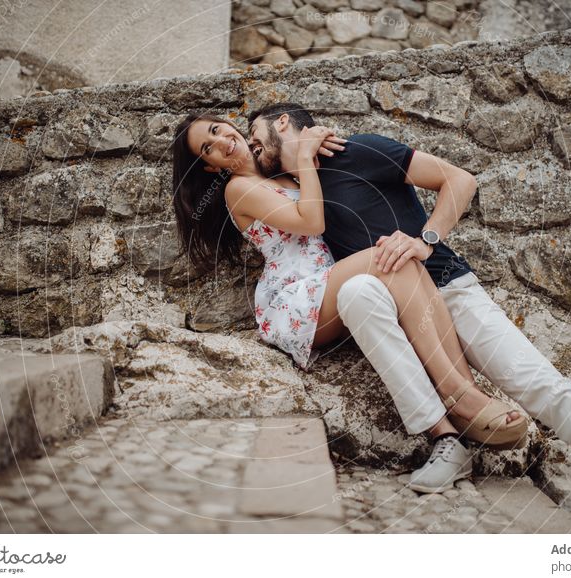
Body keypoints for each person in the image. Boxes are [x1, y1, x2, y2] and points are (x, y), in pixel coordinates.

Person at [245, 102, 571, 534]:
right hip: (393, 309)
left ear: (283, 121)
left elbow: (460, 180)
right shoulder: (299, 190)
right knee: (359, 291)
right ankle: (449, 438)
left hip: (449, 290)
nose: (251, 147)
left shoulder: (359, 149)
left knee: (548, 390)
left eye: (254, 135)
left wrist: (425, 239)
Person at [171, 112, 529, 489]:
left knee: (398, 256)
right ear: (210, 168)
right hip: (297, 298)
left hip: (328, 281)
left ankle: (460, 410)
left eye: (216, 130)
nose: (222, 142)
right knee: (389, 254)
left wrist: (309, 146)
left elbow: (304, 161)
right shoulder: (237, 188)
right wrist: (306, 159)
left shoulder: (276, 172)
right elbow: (311, 222)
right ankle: (461, 399)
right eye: (207, 149)